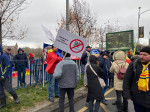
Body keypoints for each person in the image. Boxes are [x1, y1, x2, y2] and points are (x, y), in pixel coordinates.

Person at [123, 46, 150, 112]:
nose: (141, 57)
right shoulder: (134, 64)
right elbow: (126, 80)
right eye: (140, 54)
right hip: (137, 98)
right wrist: (127, 95)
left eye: (145, 55)